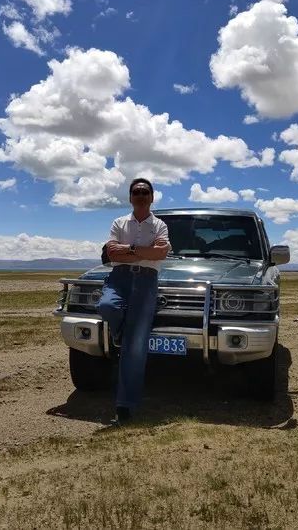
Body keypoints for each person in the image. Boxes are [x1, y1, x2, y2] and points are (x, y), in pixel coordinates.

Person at [96, 178, 171, 426]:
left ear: (152, 197)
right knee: (106, 307)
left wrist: (128, 250)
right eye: (136, 192)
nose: (140, 195)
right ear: (130, 197)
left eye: (145, 192)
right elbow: (111, 253)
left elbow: (160, 253)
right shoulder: (119, 222)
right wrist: (143, 250)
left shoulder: (160, 225)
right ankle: (120, 330)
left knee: (135, 347)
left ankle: (125, 406)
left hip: (147, 282)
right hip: (118, 278)